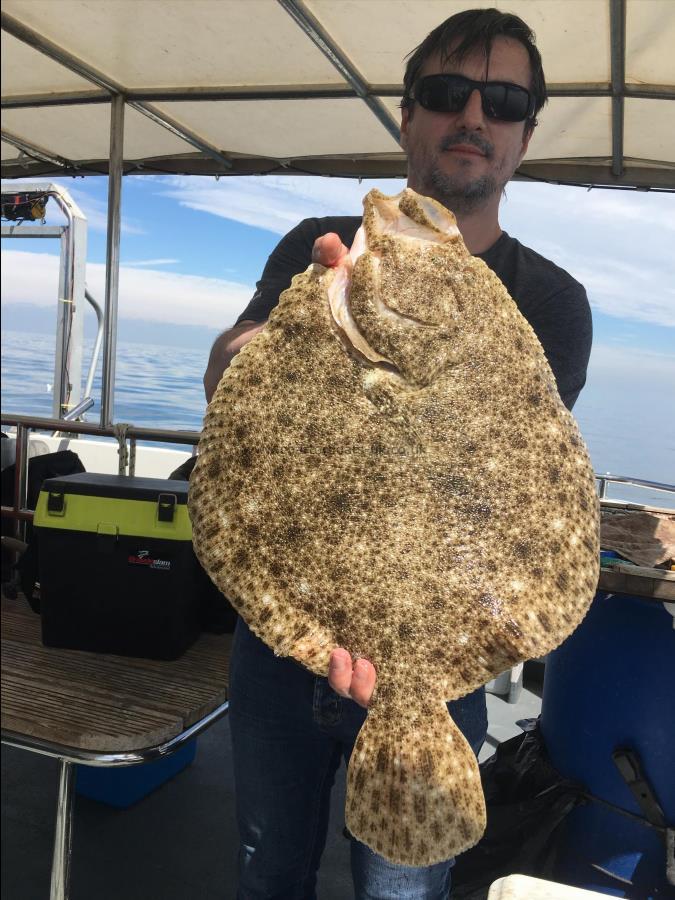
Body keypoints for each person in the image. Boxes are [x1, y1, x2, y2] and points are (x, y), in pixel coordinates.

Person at [203, 8, 592, 898]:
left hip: (433, 658)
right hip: (278, 645)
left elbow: (509, 491)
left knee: (401, 891)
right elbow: (230, 386)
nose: (473, 116)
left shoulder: (553, 301)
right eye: (447, 93)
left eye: (500, 100)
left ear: (524, 132)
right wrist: (268, 343)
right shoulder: (320, 248)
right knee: (268, 872)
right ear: (408, 114)